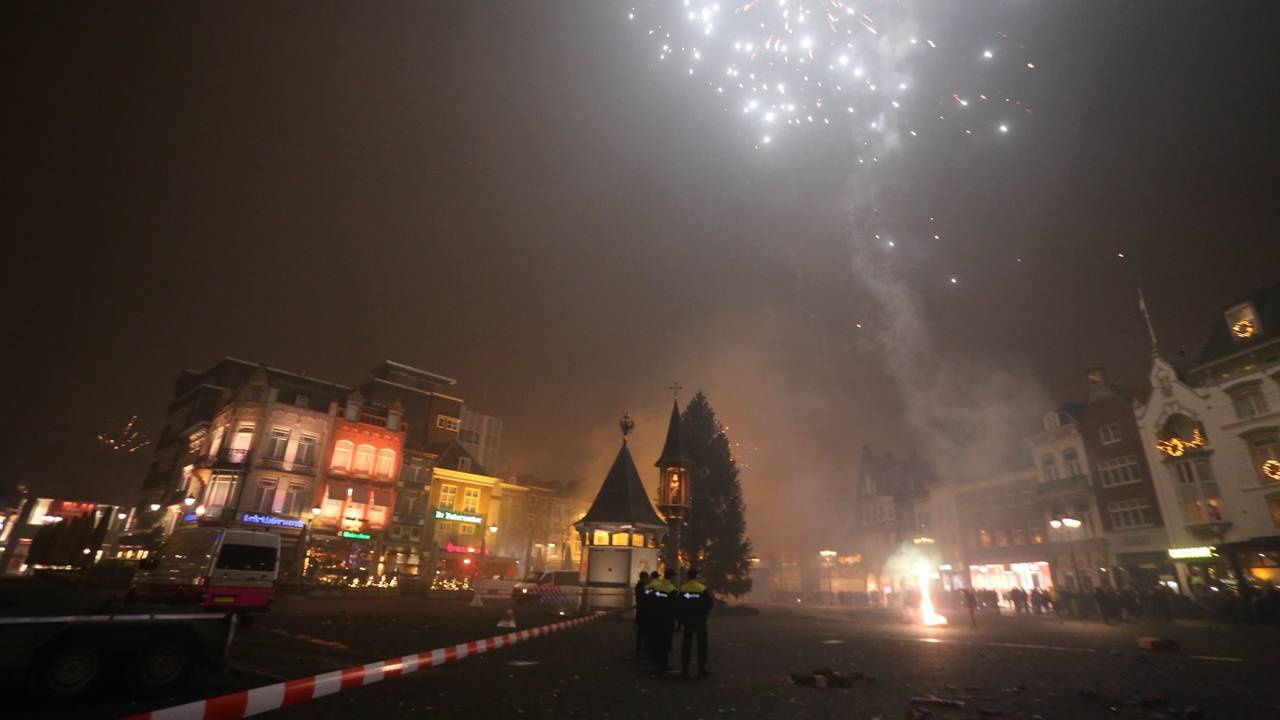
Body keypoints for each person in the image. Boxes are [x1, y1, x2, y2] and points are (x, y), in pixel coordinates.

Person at [678, 567, 715, 678]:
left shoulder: (683, 589)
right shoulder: (702, 588)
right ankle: (701, 669)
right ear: (696, 576)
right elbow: (709, 604)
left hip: (688, 621)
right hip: (700, 620)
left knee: (686, 644)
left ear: (688, 576)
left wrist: (681, 619)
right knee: (702, 644)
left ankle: (685, 668)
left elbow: (678, 605)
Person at [647, 568, 678, 673]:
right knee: (666, 642)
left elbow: (651, 600)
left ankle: (657, 662)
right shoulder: (672, 589)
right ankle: (664, 665)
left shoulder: (657, 586)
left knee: (658, 640)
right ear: (672, 577)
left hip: (656, 618)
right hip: (667, 619)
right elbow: (674, 606)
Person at [634, 571, 650, 656]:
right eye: (647, 577)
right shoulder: (641, 587)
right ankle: (641, 646)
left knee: (641, 630)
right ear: (644, 578)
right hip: (643, 611)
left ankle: (640, 646)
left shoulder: (639, 586)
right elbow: (644, 596)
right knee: (643, 630)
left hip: (641, 610)